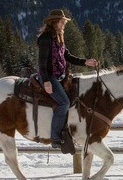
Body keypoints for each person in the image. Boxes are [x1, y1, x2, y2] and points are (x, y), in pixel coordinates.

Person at [37, 9, 98, 149]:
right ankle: (55, 137)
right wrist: (46, 81)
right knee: (64, 103)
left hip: (59, 75)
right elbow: (42, 63)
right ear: (55, 22)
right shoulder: (45, 39)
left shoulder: (59, 37)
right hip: (48, 76)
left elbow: (67, 56)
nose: (64, 23)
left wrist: (85, 62)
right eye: (62, 21)